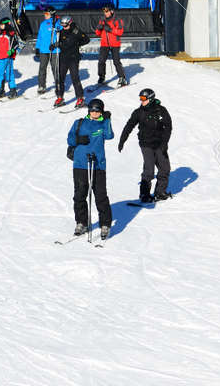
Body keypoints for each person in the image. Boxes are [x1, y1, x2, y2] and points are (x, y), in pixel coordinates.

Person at [67, 98, 114, 239]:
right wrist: (78, 140)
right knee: (80, 194)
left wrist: (107, 120)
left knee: (100, 195)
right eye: (92, 110)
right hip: (80, 164)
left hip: (98, 164)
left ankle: (105, 224)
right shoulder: (79, 122)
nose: (95, 113)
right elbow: (70, 139)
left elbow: (109, 135)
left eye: (98, 110)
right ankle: (81, 222)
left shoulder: (103, 123)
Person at [118, 88, 173, 204]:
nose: (141, 101)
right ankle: (144, 194)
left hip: (159, 144)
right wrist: (122, 140)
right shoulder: (139, 112)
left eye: (143, 98)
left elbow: (168, 127)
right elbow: (129, 126)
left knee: (165, 168)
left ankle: (160, 192)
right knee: (149, 170)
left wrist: (164, 143)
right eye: (140, 98)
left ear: (151, 98)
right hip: (146, 144)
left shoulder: (161, 111)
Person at [55, 16, 90, 107]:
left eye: (65, 25)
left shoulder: (76, 31)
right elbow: (60, 42)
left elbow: (86, 39)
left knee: (75, 78)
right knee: (60, 78)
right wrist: (55, 45)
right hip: (63, 58)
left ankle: (80, 98)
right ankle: (60, 97)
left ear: (69, 23)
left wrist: (77, 44)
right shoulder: (61, 31)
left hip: (73, 58)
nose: (64, 27)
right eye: (62, 25)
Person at [93, 4, 129, 87]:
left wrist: (110, 29)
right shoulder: (102, 20)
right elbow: (98, 33)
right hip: (104, 44)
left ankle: (122, 78)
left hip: (115, 44)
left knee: (116, 61)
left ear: (111, 11)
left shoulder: (117, 20)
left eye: (107, 11)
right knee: (101, 61)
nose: (105, 13)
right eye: (104, 12)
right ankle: (101, 77)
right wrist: (99, 28)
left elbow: (120, 32)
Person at [34, 5, 60, 96]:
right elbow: (40, 37)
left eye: (46, 13)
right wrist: (37, 48)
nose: (44, 15)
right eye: (44, 13)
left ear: (51, 14)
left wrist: (56, 44)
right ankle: (41, 86)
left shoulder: (57, 23)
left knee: (55, 68)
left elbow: (61, 36)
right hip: (44, 50)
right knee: (42, 68)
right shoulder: (43, 24)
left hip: (54, 50)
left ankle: (58, 84)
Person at [0, 18, 19, 99]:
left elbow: (16, 44)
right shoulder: (0, 33)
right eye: (0, 25)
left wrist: (12, 51)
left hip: (8, 57)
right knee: (0, 74)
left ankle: (13, 90)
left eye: (2, 25)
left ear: (7, 24)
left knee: (9, 74)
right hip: (0, 57)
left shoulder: (11, 33)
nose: (0, 26)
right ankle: (0, 90)